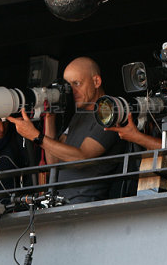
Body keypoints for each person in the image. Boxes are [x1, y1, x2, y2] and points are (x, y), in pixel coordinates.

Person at [8, 56, 123, 203]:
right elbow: (53, 161)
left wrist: (36, 136)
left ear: (96, 81)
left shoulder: (108, 111)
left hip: (85, 203)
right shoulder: (79, 114)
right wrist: (50, 118)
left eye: (77, 83)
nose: (72, 91)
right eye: (68, 86)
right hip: (62, 202)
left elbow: (81, 158)